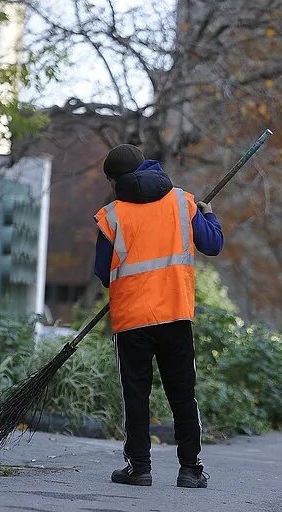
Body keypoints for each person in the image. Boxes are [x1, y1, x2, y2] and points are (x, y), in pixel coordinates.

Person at [93, 144, 223, 489]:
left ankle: (139, 468)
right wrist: (208, 215)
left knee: (135, 395)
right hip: (175, 314)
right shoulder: (182, 203)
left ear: (114, 180)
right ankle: (191, 470)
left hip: (132, 320)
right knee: (182, 393)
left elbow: (103, 272)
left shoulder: (112, 215)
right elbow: (212, 244)